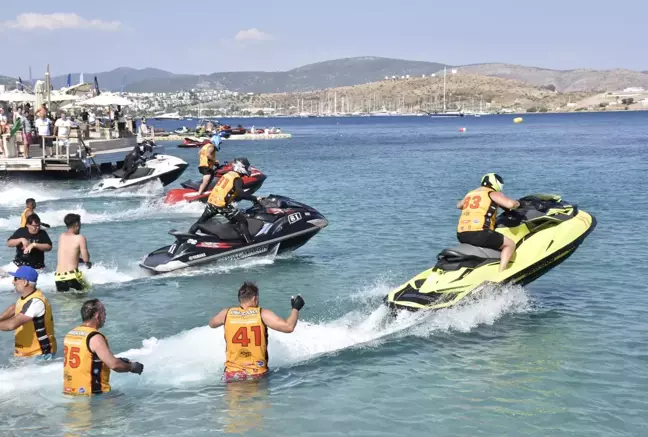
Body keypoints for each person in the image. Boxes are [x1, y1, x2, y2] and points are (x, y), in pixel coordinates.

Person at [208, 281, 305, 381]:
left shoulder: (226, 313)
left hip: (231, 374)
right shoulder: (262, 314)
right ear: (255, 298)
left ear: (240, 299)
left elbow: (212, 324)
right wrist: (295, 309)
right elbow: (289, 327)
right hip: (257, 374)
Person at [63, 299, 144, 396]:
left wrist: (118, 360)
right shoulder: (94, 337)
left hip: (70, 392)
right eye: (104, 313)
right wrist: (132, 367)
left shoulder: (71, 334)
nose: (105, 316)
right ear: (97, 315)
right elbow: (114, 365)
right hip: (92, 396)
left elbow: (86, 359)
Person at [456, 173, 520, 272]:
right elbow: (510, 204)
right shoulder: (492, 193)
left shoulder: (471, 194)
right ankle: (502, 272)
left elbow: (459, 205)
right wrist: (518, 203)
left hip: (461, 234)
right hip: (480, 233)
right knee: (510, 244)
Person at [188, 158, 260, 242]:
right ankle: (249, 243)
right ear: (240, 167)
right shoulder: (237, 179)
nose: (248, 169)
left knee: (200, 222)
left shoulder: (228, 174)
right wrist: (255, 198)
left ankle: (187, 237)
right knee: (242, 221)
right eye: (246, 167)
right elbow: (241, 193)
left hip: (212, 202)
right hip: (222, 205)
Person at [0, 266, 57, 358]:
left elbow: (12, 324)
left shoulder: (36, 301)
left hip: (40, 355)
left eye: (16, 279)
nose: (13, 282)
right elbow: (14, 308)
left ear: (25, 282)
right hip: (24, 354)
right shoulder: (26, 297)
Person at [55, 213, 91, 292]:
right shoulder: (80, 238)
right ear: (77, 225)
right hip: (72, 276)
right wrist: (88, 261)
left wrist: (78, 259)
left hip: (58, 277)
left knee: (66, 302)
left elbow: (68, 255)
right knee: (87, 292)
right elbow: (86, 259)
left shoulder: (62, 236)